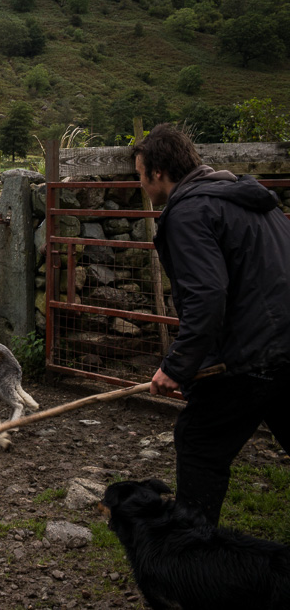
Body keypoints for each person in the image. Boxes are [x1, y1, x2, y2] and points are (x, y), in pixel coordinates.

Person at [133, 123, 290, 526]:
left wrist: (177, 365)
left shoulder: (188, 212)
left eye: (140, 174)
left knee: (199, 443)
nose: (141, 183)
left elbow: (206, 295)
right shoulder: (251, 201)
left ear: (158, 172)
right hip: (282, 345)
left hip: (247, 358)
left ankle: (192, 558)